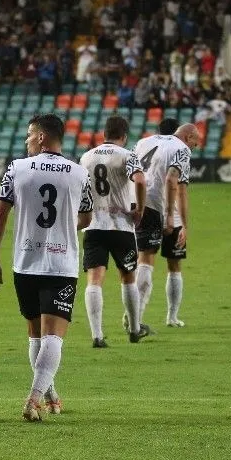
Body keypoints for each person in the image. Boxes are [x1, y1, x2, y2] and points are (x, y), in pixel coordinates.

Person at [0, 114, 93, 422]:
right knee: (53, 337)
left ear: (42, 138)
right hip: (61, 263)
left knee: (35, 334)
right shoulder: (78, 173)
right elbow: (86, 219)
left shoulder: (16, 169)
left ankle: (50, 395)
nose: (27, 141)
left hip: (25, 262)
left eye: (29, 136)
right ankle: (34, 398)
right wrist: (64, 224)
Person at [78, 115, 148, 347]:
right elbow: (139, 180)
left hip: (94, 224)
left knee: (94, 279)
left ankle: (97, 335)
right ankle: (135, 329)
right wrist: (139, 208)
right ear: (124, 136)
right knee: (128, 277)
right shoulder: (127, 155)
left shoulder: (86, 157)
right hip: (120, 225)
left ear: (103, 134)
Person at [132, 120, 201, 329]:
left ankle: (136, 318)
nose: (196, 146)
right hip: (166, 208)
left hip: (142, 204)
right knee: (174, 263)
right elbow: (176, 185)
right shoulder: (182, 150)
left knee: (144, 260)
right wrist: (176, 219)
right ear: (188, 137)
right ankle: (171, 317)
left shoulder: (142, 142)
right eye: (196, 141)